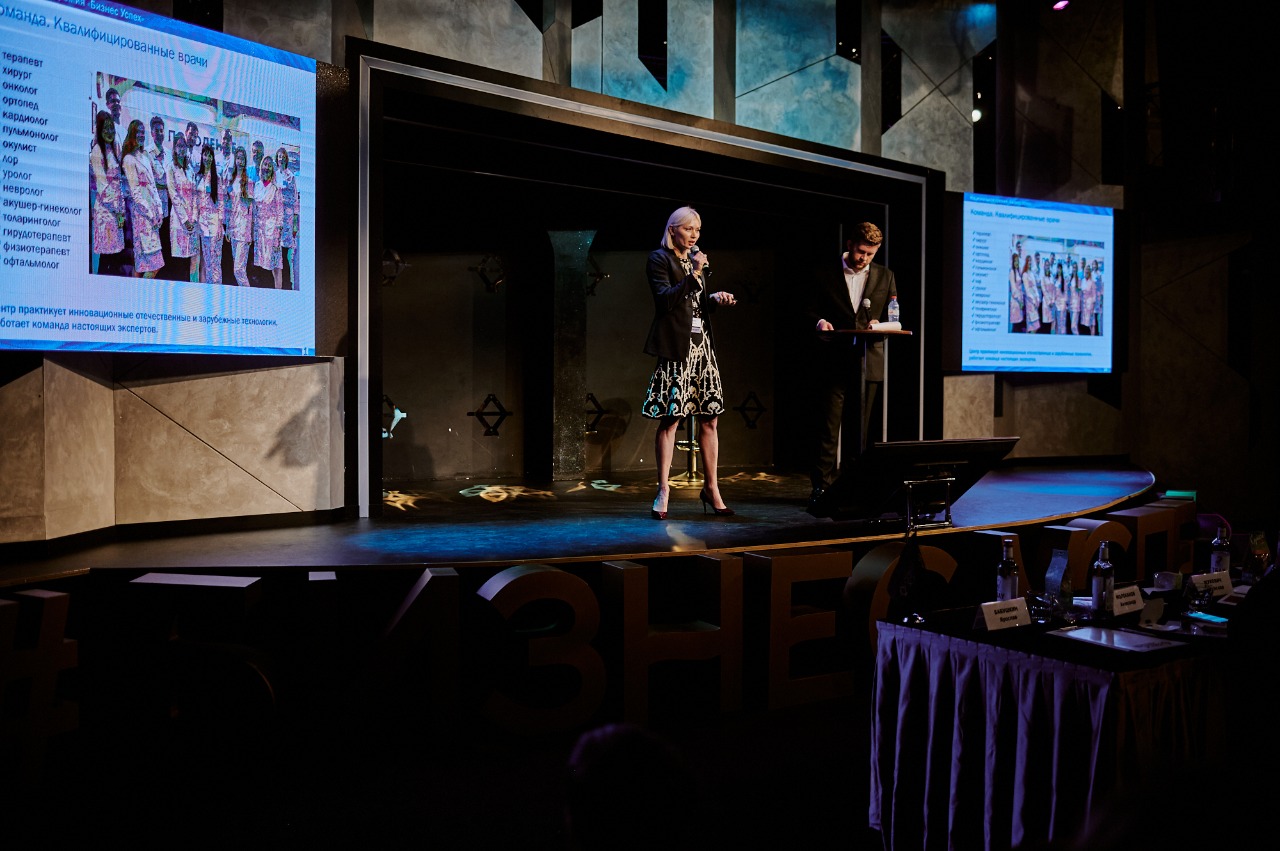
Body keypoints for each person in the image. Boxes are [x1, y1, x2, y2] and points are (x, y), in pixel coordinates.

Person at [640, 206, 737, 520]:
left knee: (710, 419)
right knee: (671, 419)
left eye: (697, 230)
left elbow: (694, 304)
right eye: (688, 229)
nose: (694, 235)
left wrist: (714, 299)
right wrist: (694, 273)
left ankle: (712, 488)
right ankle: (663, 489)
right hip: (677, 349)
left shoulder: (695, 261)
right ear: (673, 230)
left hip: (702, 348)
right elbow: (666, 301)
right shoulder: (659, 259)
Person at [807, 222, 898, 511]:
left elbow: (894, 317)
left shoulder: (885, 275)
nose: (864, 259)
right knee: (828, 427)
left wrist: (879, 324)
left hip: (868, 360)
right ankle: (822, 488)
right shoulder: (825, 272)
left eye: (870, 254)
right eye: (861, 252)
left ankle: (853, 488)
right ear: (849, 244)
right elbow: (808, 310)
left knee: (860, 431)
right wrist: (820, 322)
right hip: (832, 359)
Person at [121, 119, 164, 278]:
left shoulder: (145, 156)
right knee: (152, 264)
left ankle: (136, 290)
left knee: (142, 265)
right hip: (141, 215)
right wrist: (151, 214)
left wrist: (159, 210)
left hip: (152, 215)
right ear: (132, 134)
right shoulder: (128, 159)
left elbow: (153, 185)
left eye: (142, 132)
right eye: (137, 132)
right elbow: (136, 193)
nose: (141, 135)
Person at [89, 110, 125, 274]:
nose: (109, 132)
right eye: (105, 129)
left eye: (111, 128)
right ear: (99, 130)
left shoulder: (114, 149)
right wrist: (117, 212)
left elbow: (119, 183)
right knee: (106, 260)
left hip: (117, 213)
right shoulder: (97, 151)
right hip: (105, 212)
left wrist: (121, 212)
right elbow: (103, 186)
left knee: (116, 260)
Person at [166, 134, 200, 282]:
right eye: (179, 146)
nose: (181, 149)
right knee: (179, 263)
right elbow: (173, 196)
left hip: (192, 222)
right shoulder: (170, 168)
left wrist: (194, 218)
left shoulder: (190, 169)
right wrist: (185, 220)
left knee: (192, 262)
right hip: (179, 221)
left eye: (184, 146)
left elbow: (195, 196)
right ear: (174, 148)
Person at [224, 146, 255, 287]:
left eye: (242, 158)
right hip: (233, 228)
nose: (240, 161)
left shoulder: (249, 181)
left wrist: (250, 233)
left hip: (244, 229)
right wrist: (228, 228)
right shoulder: (231, 181)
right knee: (238, 269)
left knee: (239, 270)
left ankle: (248, 295)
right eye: (238, 158)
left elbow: (251, 209)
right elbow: (229, 206)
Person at [253, 155, 284, 289]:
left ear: (272, 169)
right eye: (265, 164)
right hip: (259, 232)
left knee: (275, 265)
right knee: (262, 264)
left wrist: (277, 235)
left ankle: (279, 291)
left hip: (272, 233)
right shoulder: (256, 186)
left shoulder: (276, 189)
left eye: (269, 165)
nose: (267, 167)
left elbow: (280, 213)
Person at [194, 143, 223, 284]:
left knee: (215, 260)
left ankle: (217, 288)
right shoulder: (198, 176)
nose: (207, 158)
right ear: (202, 156)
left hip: (214, 221)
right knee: (206, 259)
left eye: (210, 155)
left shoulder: (217, 178)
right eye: (205, 155)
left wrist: (220, 224)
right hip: (202, 222)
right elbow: (195, 200)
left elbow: (221, 202)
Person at [274, 147, 298, 288]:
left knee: (286, 255)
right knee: (277, 256)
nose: (281, 159)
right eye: (279, 156)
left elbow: (295, 199)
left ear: (286, 159)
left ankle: (288, 285)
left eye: (283, 157)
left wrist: (294, 223)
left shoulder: (291, 176)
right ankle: (278, 285)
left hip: (287, 220)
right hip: (276, 220)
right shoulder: (274, 175)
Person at [1021, 254, 1041, 333]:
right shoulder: (1024, 274)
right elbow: (1027, 290)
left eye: (1030, 261)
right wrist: (1033, 300)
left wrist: (1037, 299)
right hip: (1030, 301)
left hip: (1035, 301)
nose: (1029, 262)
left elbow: (1035, 287)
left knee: (1036, 325)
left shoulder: (1032, 273)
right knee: (1031, 324)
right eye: (1028, 261)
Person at [1007, 251, 1024, 332]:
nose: (1016, 263)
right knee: (1015, 326)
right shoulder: (1011, 272)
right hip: (1015, 301)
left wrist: (1021, 301)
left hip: (1020, 301)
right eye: (1015, 261)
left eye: (1017, 261)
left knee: (1019, 325)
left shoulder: (1019, 271)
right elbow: (1013, 289)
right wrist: (1019, 302)